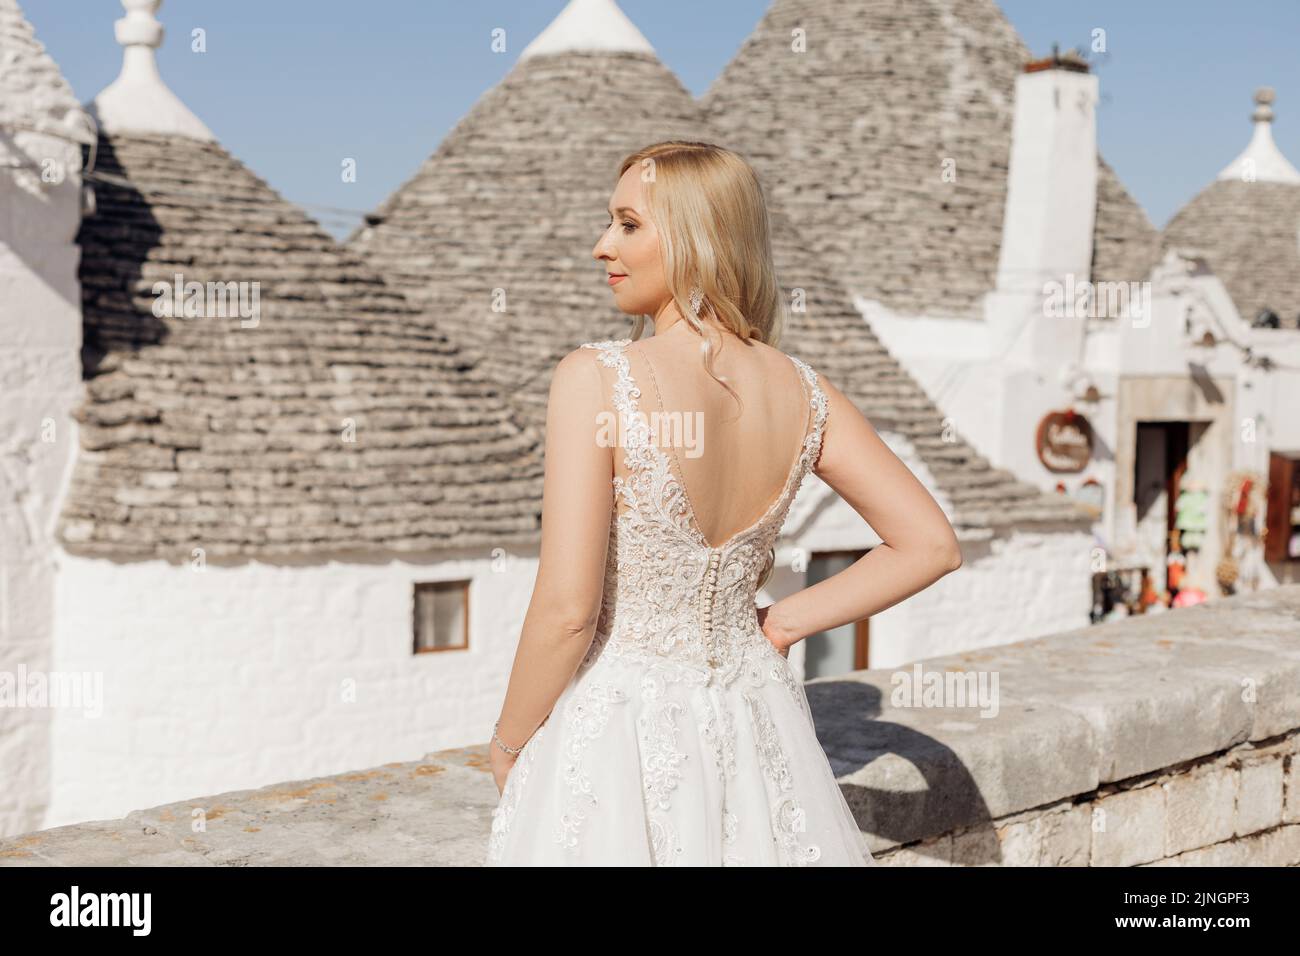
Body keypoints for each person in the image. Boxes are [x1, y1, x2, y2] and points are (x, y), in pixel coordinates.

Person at [485, 141, 962, 866]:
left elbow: (569, 610)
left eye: (628, 225)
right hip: (754, 716)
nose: (600, 246)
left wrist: (509, 742)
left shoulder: (596, 377)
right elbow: (930, 543)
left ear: (696, 236)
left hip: (620, 729)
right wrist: (783, 624)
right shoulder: (806, 392)